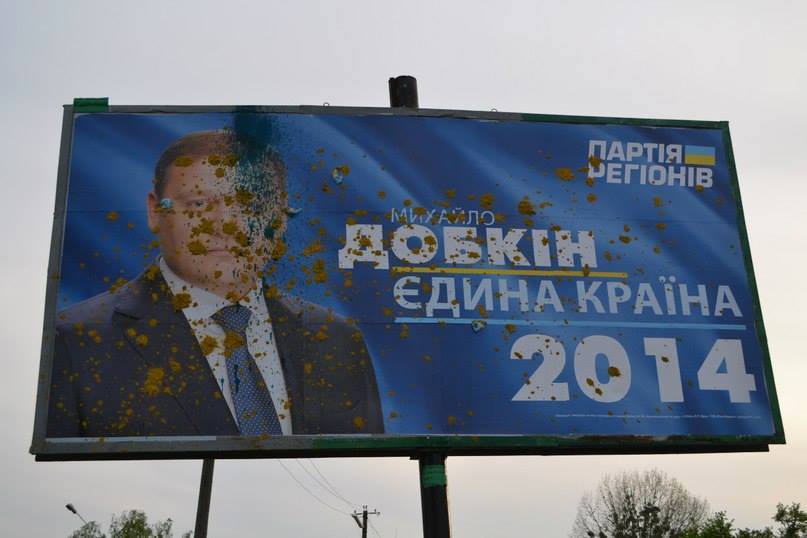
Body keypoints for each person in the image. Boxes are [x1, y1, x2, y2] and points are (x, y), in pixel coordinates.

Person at [46, 130, 384, 437]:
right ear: (155, 212)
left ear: (281, 218)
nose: (225, 225)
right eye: (199, 204)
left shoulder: (337, 340)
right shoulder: (78, 340)